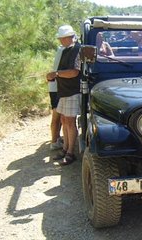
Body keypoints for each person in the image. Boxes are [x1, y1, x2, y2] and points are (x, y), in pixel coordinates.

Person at [46, 25, 81, 166]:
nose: (60, 41)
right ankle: (66, 149)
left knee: (70, 122)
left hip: (72, 91)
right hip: (65, 91)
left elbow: (74, 72)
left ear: (69, 37)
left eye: (62, 38)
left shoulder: (77, 50)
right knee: (65, 121)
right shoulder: (67, 50)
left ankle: (70, 152)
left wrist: (56, 74)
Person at [46, 46, 64, 151]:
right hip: (58, 86)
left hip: (55, 86)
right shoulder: (65, 49)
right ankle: (54, 141)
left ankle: (56, 139)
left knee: (58, 115)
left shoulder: (61, 49)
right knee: (57, 115)